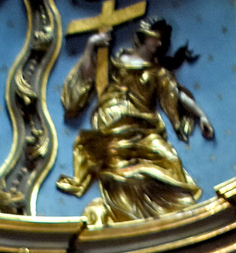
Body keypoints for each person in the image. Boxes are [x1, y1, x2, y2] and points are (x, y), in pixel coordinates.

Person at [57, 17, 214, 228]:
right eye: (155, 38)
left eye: (161, 40)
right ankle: (127, 215)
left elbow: (176, 96)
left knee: (169, 159)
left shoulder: (158, 73)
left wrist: (201, 115)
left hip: (143, 128)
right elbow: (87, 76)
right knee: (121, 174)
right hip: (113, 125)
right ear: (142, 37)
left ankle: (170, 218)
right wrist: (91, 46)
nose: (158, 44)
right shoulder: (115, 62)